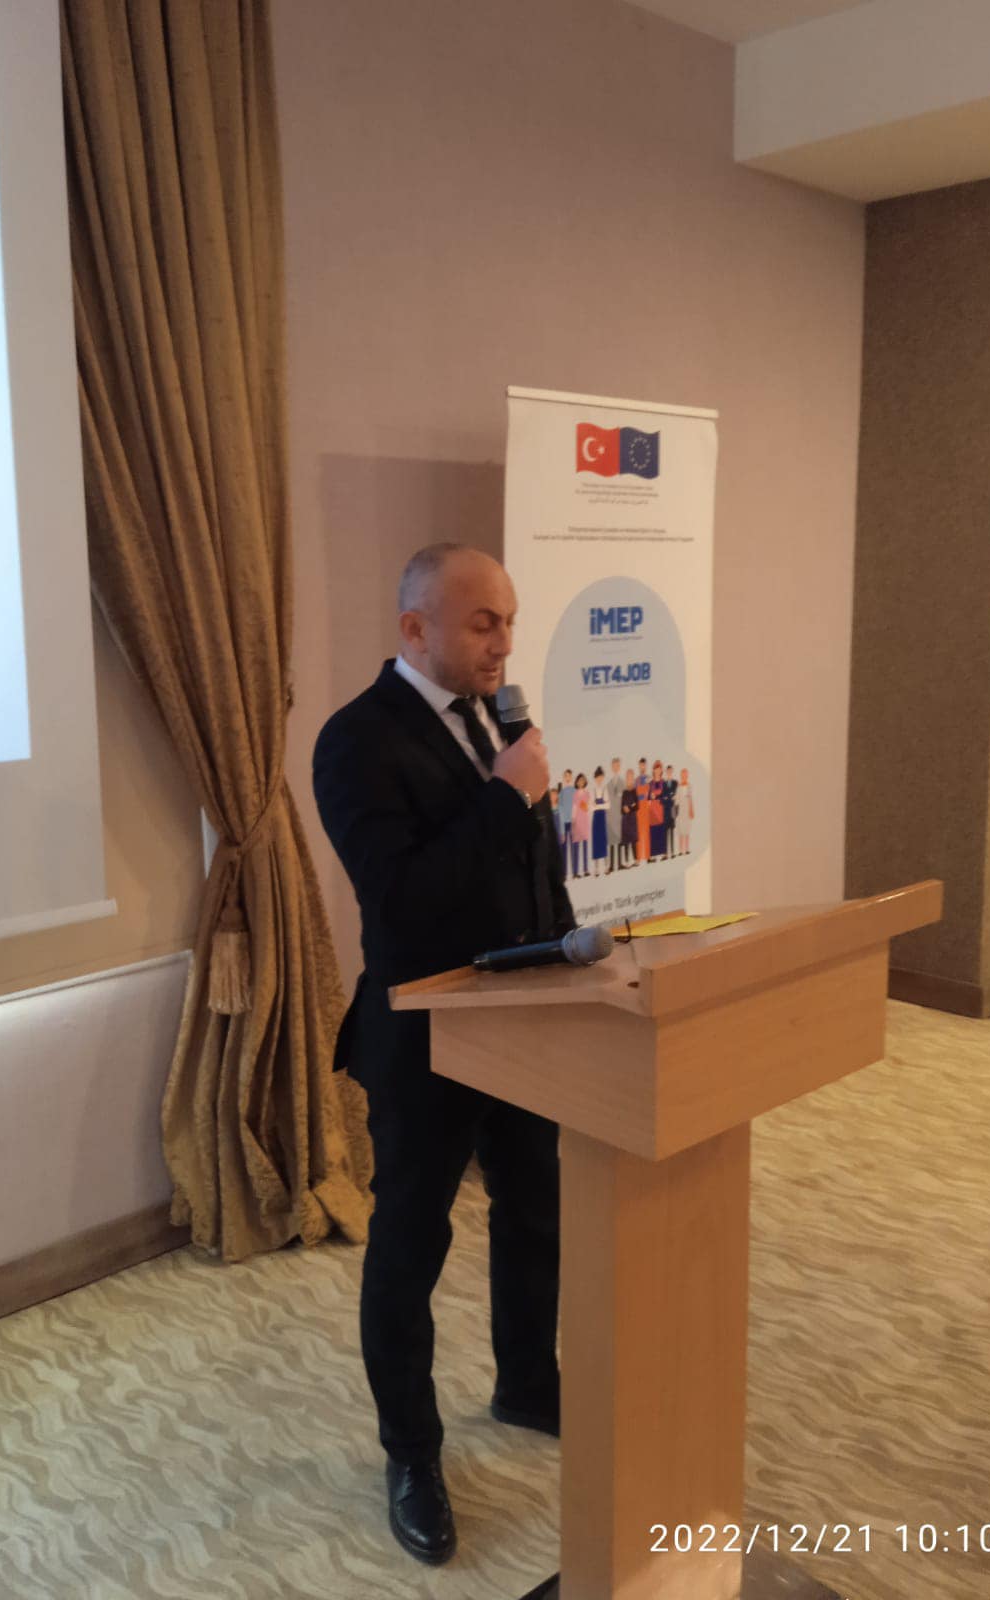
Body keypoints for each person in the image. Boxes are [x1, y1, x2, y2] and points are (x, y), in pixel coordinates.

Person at [312, 543, 572, 1567]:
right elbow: (404, 903)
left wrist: (571, 955)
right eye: (482, 623)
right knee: (410, 1245)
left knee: (536, 1207)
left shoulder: (499, 723)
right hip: (423, 1034)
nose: (503, 643)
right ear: (415, 628)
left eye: (509, 621)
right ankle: (412, 1454)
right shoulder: (355, 740)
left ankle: (529, 1382)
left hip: (523, 1020)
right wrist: (505, 796)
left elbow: (536, 869)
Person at [605, 757, 624, 873]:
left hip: (620, 815)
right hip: (611, 815)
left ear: (619, 767)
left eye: (617, 765)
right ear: (611, 767)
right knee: (612, 840)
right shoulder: (608, 784)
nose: (616, 767)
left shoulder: (623, 783)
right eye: (614, 765)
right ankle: (611, 865)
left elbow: (624, 799)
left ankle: (620, 863)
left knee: (620, 838)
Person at [570, 771, 590, 877]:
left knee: (585, 846)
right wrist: (573, 820)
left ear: (585, 782)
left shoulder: (587, 794)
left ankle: (586, 869)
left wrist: (586, 807)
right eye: (579, 780)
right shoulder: (575, 794)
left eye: (583, 780)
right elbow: (574, 808)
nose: (581, 782)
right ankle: (575, 872)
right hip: (577, 821)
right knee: (576, 846)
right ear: (576, 782)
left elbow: (588, 807)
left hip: (585, 821)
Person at [590, 766, 608, 877]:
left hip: (602, 817)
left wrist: (598, 805)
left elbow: (608, 805)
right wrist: (600, 805)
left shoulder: (605, 789)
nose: (599, 779)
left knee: (603, 841)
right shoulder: (593, 790)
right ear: (595, 778)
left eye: (601, 777)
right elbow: (591, 807)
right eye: (597, 777)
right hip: (596, 818)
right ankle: (596, 869)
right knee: (596, 842)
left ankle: (606, 866)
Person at [556, 766, 574, 876]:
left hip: (573, 823)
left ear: (571, 777)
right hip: (564, 823)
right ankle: (564, 872)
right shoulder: (561, 793)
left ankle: (574, 872)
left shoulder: (574, 791)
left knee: (573, 847)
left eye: (569, 776)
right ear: (564, 777)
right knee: (564, 849)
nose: (567, 778)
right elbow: (560, 808)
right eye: (565, 776)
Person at [620, 766, 638, 867]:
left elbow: (637, 806)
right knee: (626, 841)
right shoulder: (624, 792)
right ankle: (627, 861)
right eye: (628, 777)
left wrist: (630, 808)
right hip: (625, 819)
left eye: (631, 777)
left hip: (632, 818)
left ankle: (636, 860)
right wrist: (624, 809)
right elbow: (621, 807)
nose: (629, 779)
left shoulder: (635, 791)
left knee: (633, 840)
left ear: (633, 778)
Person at [677, 766, 694, 854]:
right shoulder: (678, 786)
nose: (684, 776)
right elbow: (677, 799)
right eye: (682, 774)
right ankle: (680, 850)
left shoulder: (689, 786)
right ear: (681, 776)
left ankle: (687, 849)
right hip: (680, 810)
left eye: (685, 774)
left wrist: (691, 810)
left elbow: (690, 798)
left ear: (687, 776)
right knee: (681, 829)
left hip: (687, 809)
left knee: (687, 829)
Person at [663, 764, 679, 859]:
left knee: (672, 831)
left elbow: (675, 796)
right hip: (665, 810)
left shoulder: (675, 783)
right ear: (666, 772)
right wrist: (670, 796)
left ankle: (672, 852)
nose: (669, 773)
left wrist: (669, 797)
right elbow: (664, 796)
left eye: (670, 771)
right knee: (665, 832)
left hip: (672, 809)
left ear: (672, 772)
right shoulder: (664, 783)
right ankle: (665, 853)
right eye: (668, 771)